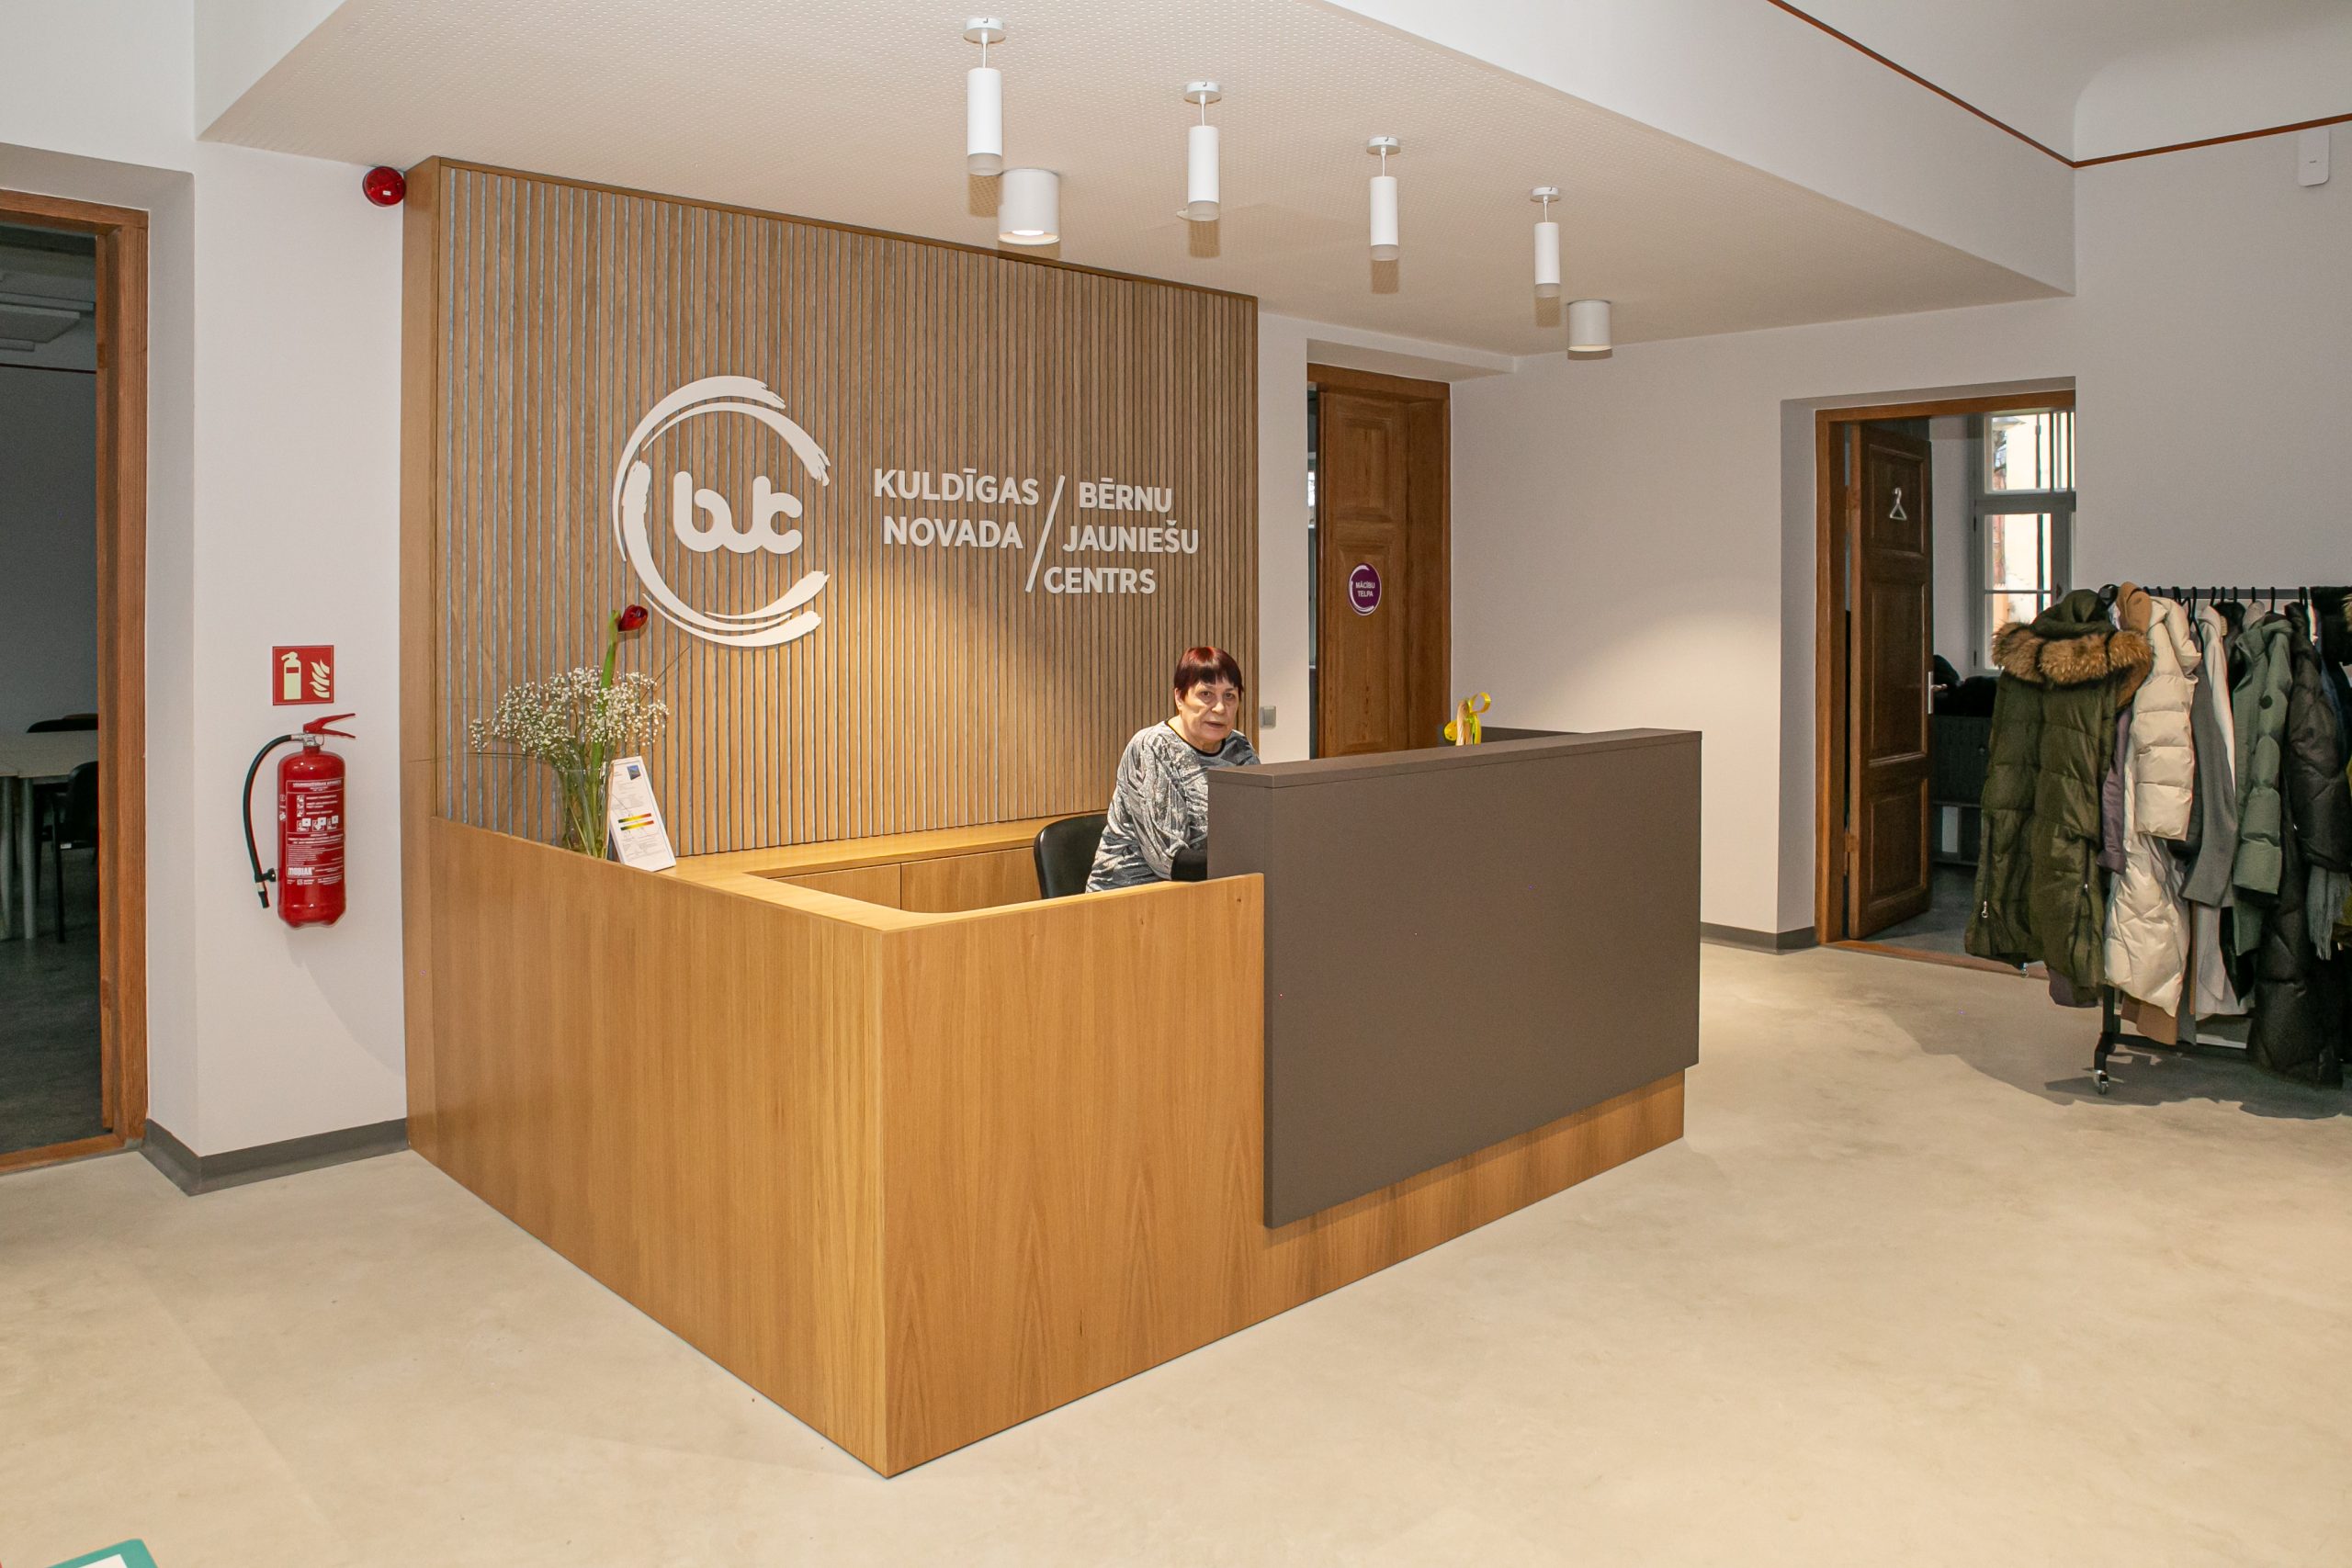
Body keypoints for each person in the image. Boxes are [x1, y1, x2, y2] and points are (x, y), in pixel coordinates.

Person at [1086, 646, 1260, 891]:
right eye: (1206, 694)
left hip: (1209, 890)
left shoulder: (1238, 747)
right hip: (1130, 896)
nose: (1220, 708)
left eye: (1229, 696)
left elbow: (1260, 824)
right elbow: (1169, 861)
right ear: (1179, 698)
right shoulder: (1153, 747)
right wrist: (1256, 859)